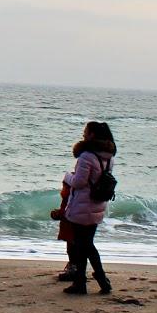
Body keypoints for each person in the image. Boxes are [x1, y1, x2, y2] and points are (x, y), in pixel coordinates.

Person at [50, 120, 116, 295]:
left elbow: (79, 182)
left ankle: (81, 283)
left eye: (86, 131)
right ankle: (101, 281)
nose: (83, 133)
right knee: (88, 245)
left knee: (81, 246)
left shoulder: (86, 156)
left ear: (92, 134)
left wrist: (67, 176)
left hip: (82, 206)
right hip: (97, 206)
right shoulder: (108, 157)